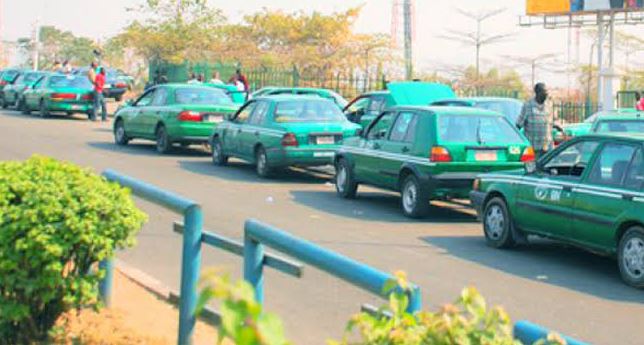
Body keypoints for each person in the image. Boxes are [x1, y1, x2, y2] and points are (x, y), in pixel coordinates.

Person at [517, 83, 553, 159]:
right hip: (533, 147)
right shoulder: (528, 105)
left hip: (547, 147)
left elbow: (550, 122)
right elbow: (519, 124)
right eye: (544, 92)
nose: (546, 95)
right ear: (537, 92)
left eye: (547, 93)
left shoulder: (549, 105)